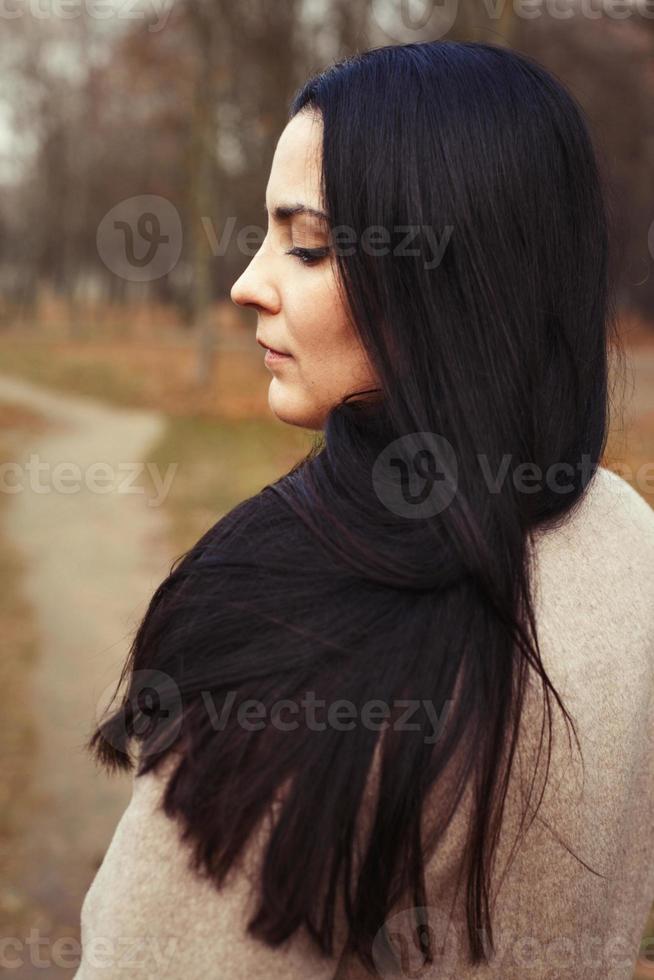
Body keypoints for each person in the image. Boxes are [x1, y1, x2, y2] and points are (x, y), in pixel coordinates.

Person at [73, 40, 654, 979]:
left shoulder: (293, 634)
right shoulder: (628, 538)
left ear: (447, 273)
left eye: (306, 244)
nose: (248, 281)